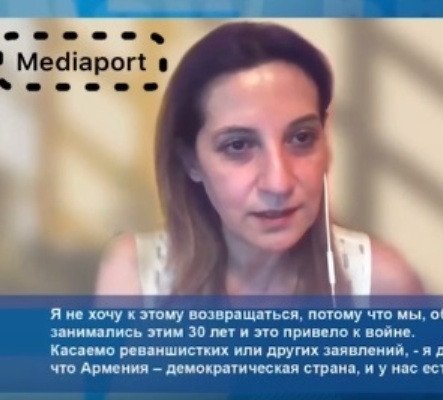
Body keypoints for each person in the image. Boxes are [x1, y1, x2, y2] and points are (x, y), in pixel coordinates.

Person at [95, 22, 423, 296]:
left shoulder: (381, 284)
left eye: (302, 138)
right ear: (191, 161)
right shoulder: (135, 279)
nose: (279, 183)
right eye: (238, 145)